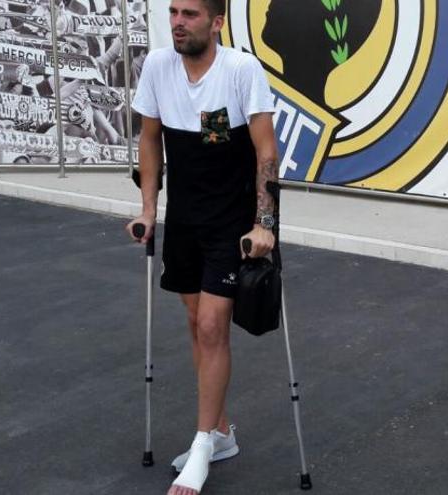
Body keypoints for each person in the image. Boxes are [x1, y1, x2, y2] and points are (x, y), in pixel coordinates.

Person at [125, 1, 278, 494]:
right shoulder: (157, 67)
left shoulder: (240, 69)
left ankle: (202, 445)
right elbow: (149, 140)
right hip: (185, 218)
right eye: (173, 11)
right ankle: (221, 432)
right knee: (196, 324)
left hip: (232, 222)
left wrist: (264, 223)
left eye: (190, 13)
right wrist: (149, 210)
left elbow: (265, 150)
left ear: (216, 23)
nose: (177, 21)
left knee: (213, 327)